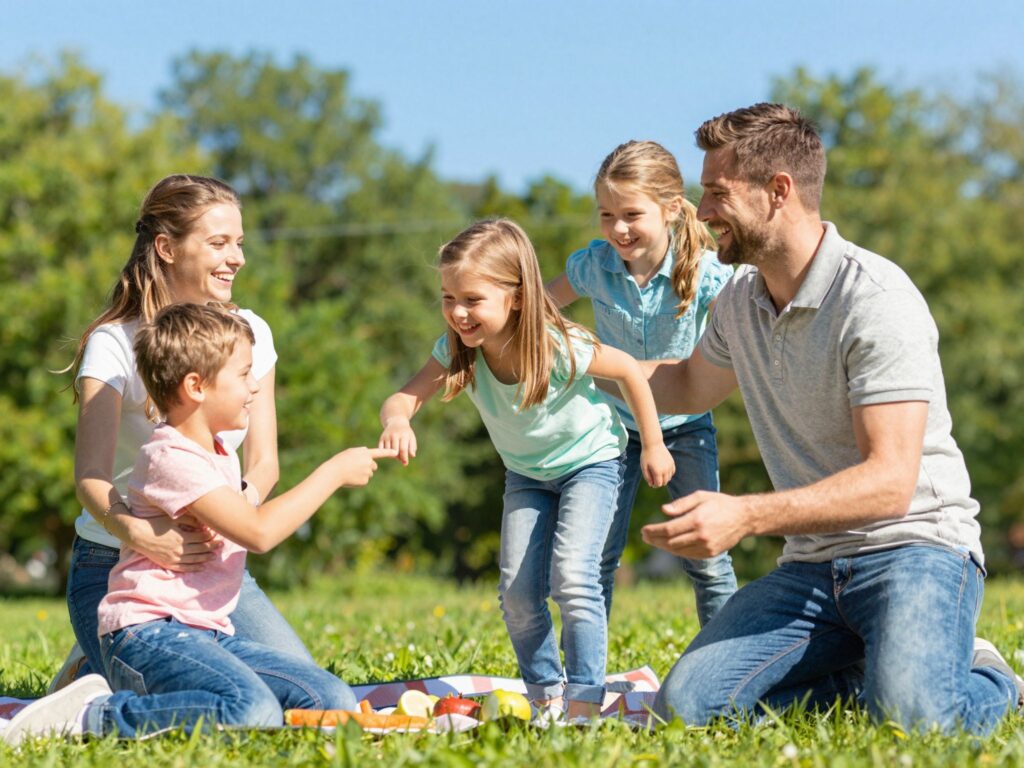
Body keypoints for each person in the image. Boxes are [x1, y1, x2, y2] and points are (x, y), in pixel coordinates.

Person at [639, 103, 1024, 734]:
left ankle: (992, 680)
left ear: (778, 192)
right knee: (685, 712)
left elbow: (889, 483)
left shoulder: (876, 300)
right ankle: (866, 672)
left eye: (716, 194)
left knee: (914, 724)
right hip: (811, 570)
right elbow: (685, 384)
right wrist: (572, 361)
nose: (702, 214)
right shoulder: (741, 301)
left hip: (915, 550)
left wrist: (745, 514)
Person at [4, 304, 394, 744]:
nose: (254, 387)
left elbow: (252, 502)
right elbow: (259, 532)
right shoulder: (169, 457)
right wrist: (334, 472)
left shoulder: (216, 455)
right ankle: (95, 715)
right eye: (244, 375)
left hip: (207, 634)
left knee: (329, 699)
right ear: (196, 386)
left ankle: (109, 682)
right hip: (148, 631)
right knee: (252, 709)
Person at [378, 219, 674, 720]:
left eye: (472, 299)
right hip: (527, 476)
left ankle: (583, 699)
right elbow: (404, 395)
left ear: (515, 297)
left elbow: (626, 369)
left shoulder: (554, 343)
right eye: (448, 298)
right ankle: (546, 697)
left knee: (574, 578)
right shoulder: (455, 350)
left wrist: (654, 444)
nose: (458, 312)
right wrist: (398, 420)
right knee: (516, 592)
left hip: (592, 464)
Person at [55, 174, 312, 689]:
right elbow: (90, 476)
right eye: (218, 243)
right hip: (114, 563)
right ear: (167, 248)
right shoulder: (115, 344)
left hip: (208, 569)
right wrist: (143, 534)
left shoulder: (251, 335)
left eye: (238, 242)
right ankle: (102, 653)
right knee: (218, 695)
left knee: (302, 688)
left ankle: (100, 663)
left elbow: (266, 462)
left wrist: (231, 512)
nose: (236, 257)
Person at [546, 140, 737, 627]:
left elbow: (744, 334)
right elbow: (540, 310)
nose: (618, 229)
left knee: (708, 561)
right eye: (606, 215)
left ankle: (725, 661)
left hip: (686, 425)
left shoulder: (706, 275)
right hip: (611, 429)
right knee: (596, 560)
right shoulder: (595, 266)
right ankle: (584, 679)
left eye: (631, 214)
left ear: (672, 208)